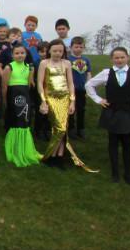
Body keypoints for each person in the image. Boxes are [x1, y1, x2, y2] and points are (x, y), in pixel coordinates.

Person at [85, 47, 130, 185]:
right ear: (112, 59)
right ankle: (115, 173)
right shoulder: (106, 73)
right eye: (116, 58)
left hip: (128, 112)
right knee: (112, 143)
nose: (119, 60)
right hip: (112, 112)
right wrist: (98, 100)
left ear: (127, 58)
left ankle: (128, 174)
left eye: (122, 57)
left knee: (127, 143)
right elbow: (89, 85)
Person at [38, 40, 94, 171]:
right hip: (51, 98)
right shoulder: (44, 63)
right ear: (49, 50)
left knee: (63, 128)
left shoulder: (67, 63)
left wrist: (72, 101)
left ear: (64, 51)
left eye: (60, 51)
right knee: (60, 128)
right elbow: (40, 83)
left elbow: (70, 83)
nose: (57, 53)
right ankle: (50, 156)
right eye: (55, 50)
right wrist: (43, 101)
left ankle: (59, 156)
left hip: (65, 99)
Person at [1, 43, 40, 168]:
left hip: (25, 96)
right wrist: (5, 100)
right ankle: (14, 149)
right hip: (13, 95)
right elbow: (4, 86)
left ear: (26, 54)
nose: (20, 55)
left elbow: (29, 84)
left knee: (25, 120)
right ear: (12, 55)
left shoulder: (29, 67)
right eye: (17, 53)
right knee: (16, 121)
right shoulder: (9, 67)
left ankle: (25, 148)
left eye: (22, 53)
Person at [68, 37, 92, 139]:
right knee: (70, 109)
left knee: (81, 109)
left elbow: (88, 73)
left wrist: (88, 86)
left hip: (82, 89)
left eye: (81, 47)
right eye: (76, 47)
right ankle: (71, 129)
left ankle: (81, 129)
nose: (78, 49)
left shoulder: (86, 60)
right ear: (71, 47)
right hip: (70, 89)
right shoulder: (67, 59)